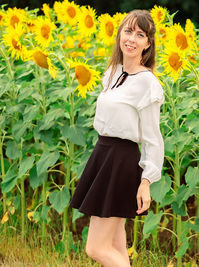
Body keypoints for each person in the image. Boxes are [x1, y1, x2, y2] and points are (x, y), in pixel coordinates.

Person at [69, 9, 164, 267]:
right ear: (120, 35)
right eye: (128, 31)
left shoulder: (148, 84)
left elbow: (153, 138)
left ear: (148, 43)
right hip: (104, 154)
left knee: (96, 248)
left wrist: (146, 182)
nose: (132, 38)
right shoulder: (113, 73)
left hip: (121, 161)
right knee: (114, 245)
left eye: (140, 34)